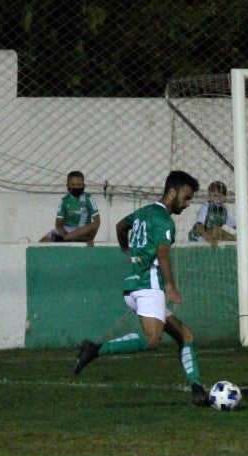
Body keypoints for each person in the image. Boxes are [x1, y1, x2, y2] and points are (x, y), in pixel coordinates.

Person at [72, 171, 209, 406]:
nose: (187, 204)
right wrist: (171, 287)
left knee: (185, 334)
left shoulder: (144, 212)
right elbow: (163, 253)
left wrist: (127, 250)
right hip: (149, 287)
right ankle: (95, 349)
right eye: (186, 198)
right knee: (152, 340)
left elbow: (119, 226)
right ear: (172, 192)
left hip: (133, 287)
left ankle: (197, 388)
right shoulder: (164, 220)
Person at [188, 180, 248, 247]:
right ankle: (238, 238)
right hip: (198, 238)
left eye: (221, 196)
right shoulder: (206, 206)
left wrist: (247, 234)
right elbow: (199, 225)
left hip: (213, 237)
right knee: (217, 229)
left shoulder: (225, 211)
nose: (218, 199)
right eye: (215, 196)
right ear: (210, 196)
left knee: (247, 233)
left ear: (225, 197)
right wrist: (208, 238)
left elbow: (239, 226)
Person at [41, 171, 100, 245]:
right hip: (67, 230)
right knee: (41, 243)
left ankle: (65, 239)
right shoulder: (64, 200)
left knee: (92, 225)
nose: (76, 187)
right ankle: (67, 239)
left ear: (84, 185)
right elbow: (58, 223)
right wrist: (63, 233)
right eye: (73, 185)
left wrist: (91, 238)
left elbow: (97, 222)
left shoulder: (89, 198)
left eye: (79, 185)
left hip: (84, 230)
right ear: (67, 185)